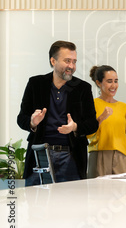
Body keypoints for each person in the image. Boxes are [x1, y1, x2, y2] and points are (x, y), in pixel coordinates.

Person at [17, 40, 99, 186]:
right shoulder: (36, 84)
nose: (72, 66)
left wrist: (75, 127)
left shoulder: (83, 88)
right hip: (40, 154)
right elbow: (21, 118)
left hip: (71, 157)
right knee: (37, 204)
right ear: (53, 60)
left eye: (74, 61)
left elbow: (92, 124)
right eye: (67, 61)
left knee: (71, 205)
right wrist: (32, 122)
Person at [87, 65, 126, 178]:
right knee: (99, 193)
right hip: (99, 155)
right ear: (99, 83)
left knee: (123, 194)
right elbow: (88, 134)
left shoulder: (124, 107)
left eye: (116, 81)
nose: (114, 85)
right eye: (109, 81)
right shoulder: (92, 105)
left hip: (121, 157)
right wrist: (101, 118)